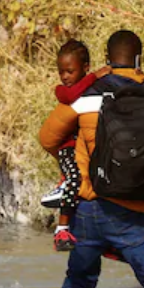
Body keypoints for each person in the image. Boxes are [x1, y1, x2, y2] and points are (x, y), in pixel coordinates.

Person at [38, 30, 144, 288]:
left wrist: (72, 157)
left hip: (88, 209)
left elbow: (47, 138)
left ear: (106, 59)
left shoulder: (86, 95)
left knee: (76, 287)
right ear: (139, 59)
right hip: (137, 212)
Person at [40, 39, 100, 252]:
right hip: (67, 147)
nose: (64, 77)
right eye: (61, 71)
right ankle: (62, 229)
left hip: (83, 147)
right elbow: (70, 94)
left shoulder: (94, 88)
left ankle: (65, 187)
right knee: (75, 179)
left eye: (69, 71)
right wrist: (95, 76)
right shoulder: (67, 91)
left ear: (85, 67)